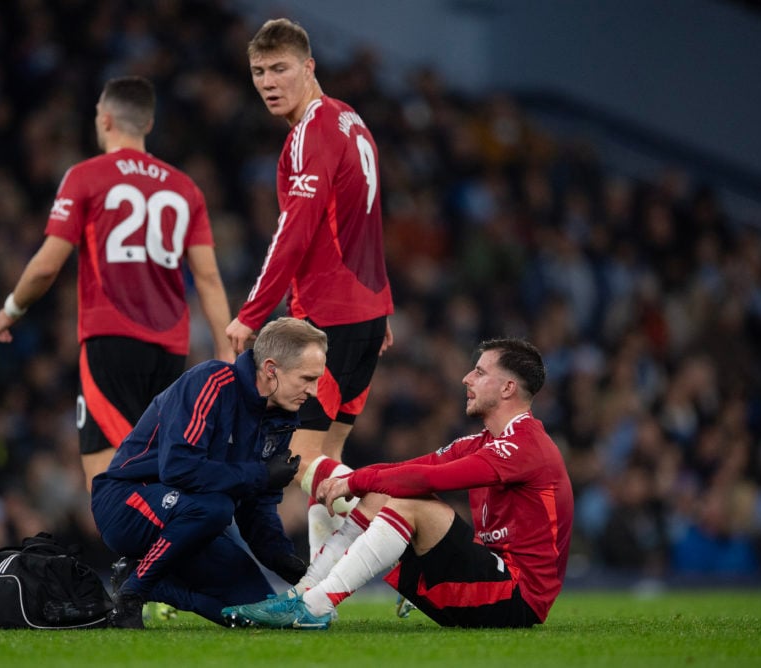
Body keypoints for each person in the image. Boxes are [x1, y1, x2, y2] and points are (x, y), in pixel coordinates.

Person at [222, 337, 574, 630]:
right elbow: (414, 468)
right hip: (487, 578)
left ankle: (314, 607)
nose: (466, 378)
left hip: (517, 599)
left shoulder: (525, 446)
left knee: (408, 500)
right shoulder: (484, 443)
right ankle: (305, 594)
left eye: (480, 372)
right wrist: (363, 482)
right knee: (389, 489)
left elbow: (430, 478)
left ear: (508, 387)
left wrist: (354, 481)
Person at [0, 76, 235, 491]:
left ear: (105, 120)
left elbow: (47, 266)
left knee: (107, 479)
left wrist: (11, 308)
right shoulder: (184, 188)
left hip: (111, 341)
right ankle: (161, 554)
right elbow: (209, 277)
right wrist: (225, 351)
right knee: (158, 468)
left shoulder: (86, 176)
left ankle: (138, 555)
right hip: (169, 349)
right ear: (148, 122)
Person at [225, 18, 395, 554]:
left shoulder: (310, 134)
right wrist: (380, 305)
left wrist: (251, 314)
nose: (269, 82)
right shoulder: (350, 120)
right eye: (258, 71)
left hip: (331, 316)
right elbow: (364, 218)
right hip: (363, 313)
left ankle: (412, 534)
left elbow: (293, 230)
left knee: (299, 459)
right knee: (329, 459)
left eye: (280, 68)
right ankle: (322, 583)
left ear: (308, 67)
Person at [92, 317, 327, 629]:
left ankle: (148, 581)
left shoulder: (280, 420)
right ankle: (132, 595)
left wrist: (287, 563)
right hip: (126, 500)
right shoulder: (210, 383)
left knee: (258, 614)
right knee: (215, 507)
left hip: (192, 523)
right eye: (307, 378)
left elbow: (256, 506)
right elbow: (178, 468)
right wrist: (259, 475)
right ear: (271, 370)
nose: (313, 391)